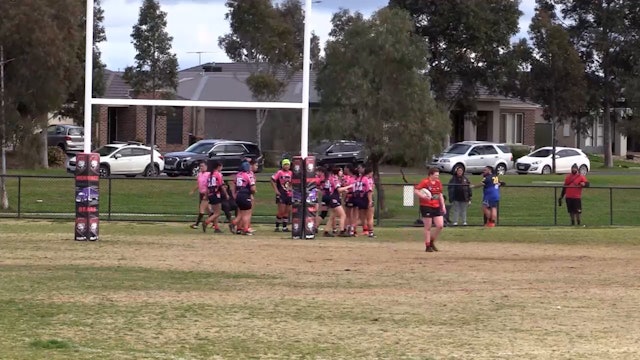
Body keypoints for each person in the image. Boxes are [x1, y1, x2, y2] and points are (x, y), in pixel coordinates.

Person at [414, 168, 446, 252]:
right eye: (436, 175)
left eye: (438, 175)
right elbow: (416, 190)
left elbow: (440, 195)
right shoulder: (425, 182)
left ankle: (432, 241)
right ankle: (427, 245)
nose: (437, 177)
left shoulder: (438, 182)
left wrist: (443, 205)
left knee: (440, 225)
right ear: (431, 175)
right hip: (426, 206)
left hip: (436, 206)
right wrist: (422, 196)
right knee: (428, 227)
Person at [230, 161, 256, 235]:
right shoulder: (249, 175)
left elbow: (233, 184)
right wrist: (251, 194)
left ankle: (234, 224)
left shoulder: (238, 175)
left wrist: (234, 194)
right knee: (246, 213)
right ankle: (245, 229)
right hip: (245, 194)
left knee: (241, 213)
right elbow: (253, 188)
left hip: (238, 194)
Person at [272, 159, 293, 232]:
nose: (287, 166)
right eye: (285, 164)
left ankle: (284, 227)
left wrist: (291, 188)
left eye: (288, 165)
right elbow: (272, 180)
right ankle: (277, 226)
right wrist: (276, 190)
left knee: (287, 210)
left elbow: (292, 182)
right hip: (282, 193)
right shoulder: (280, 172)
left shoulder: (291, 173)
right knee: (281, 211)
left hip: (289, 194)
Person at [203, 160, 224, 233]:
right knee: (217, 213)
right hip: (216, 194)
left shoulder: (210, 175)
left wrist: (206, 196)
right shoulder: (218, 174)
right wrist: (226, 194)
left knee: (215, 212)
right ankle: (207, 221)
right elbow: (221, 185)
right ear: (218, 167)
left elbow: (207, 187)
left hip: (210, 194)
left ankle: (216, 227)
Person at [188, 161, 209, 229]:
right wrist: (193, 190)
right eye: (200, 166)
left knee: (202, 209)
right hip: (201, 193)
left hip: (206, 193)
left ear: (206, 167)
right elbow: (198, 184)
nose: (201, 167)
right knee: (208, 209)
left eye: (202, 166)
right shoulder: (199, 174)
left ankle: (197, 224)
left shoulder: (208, 174)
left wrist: (207, 193)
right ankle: (214, 223)